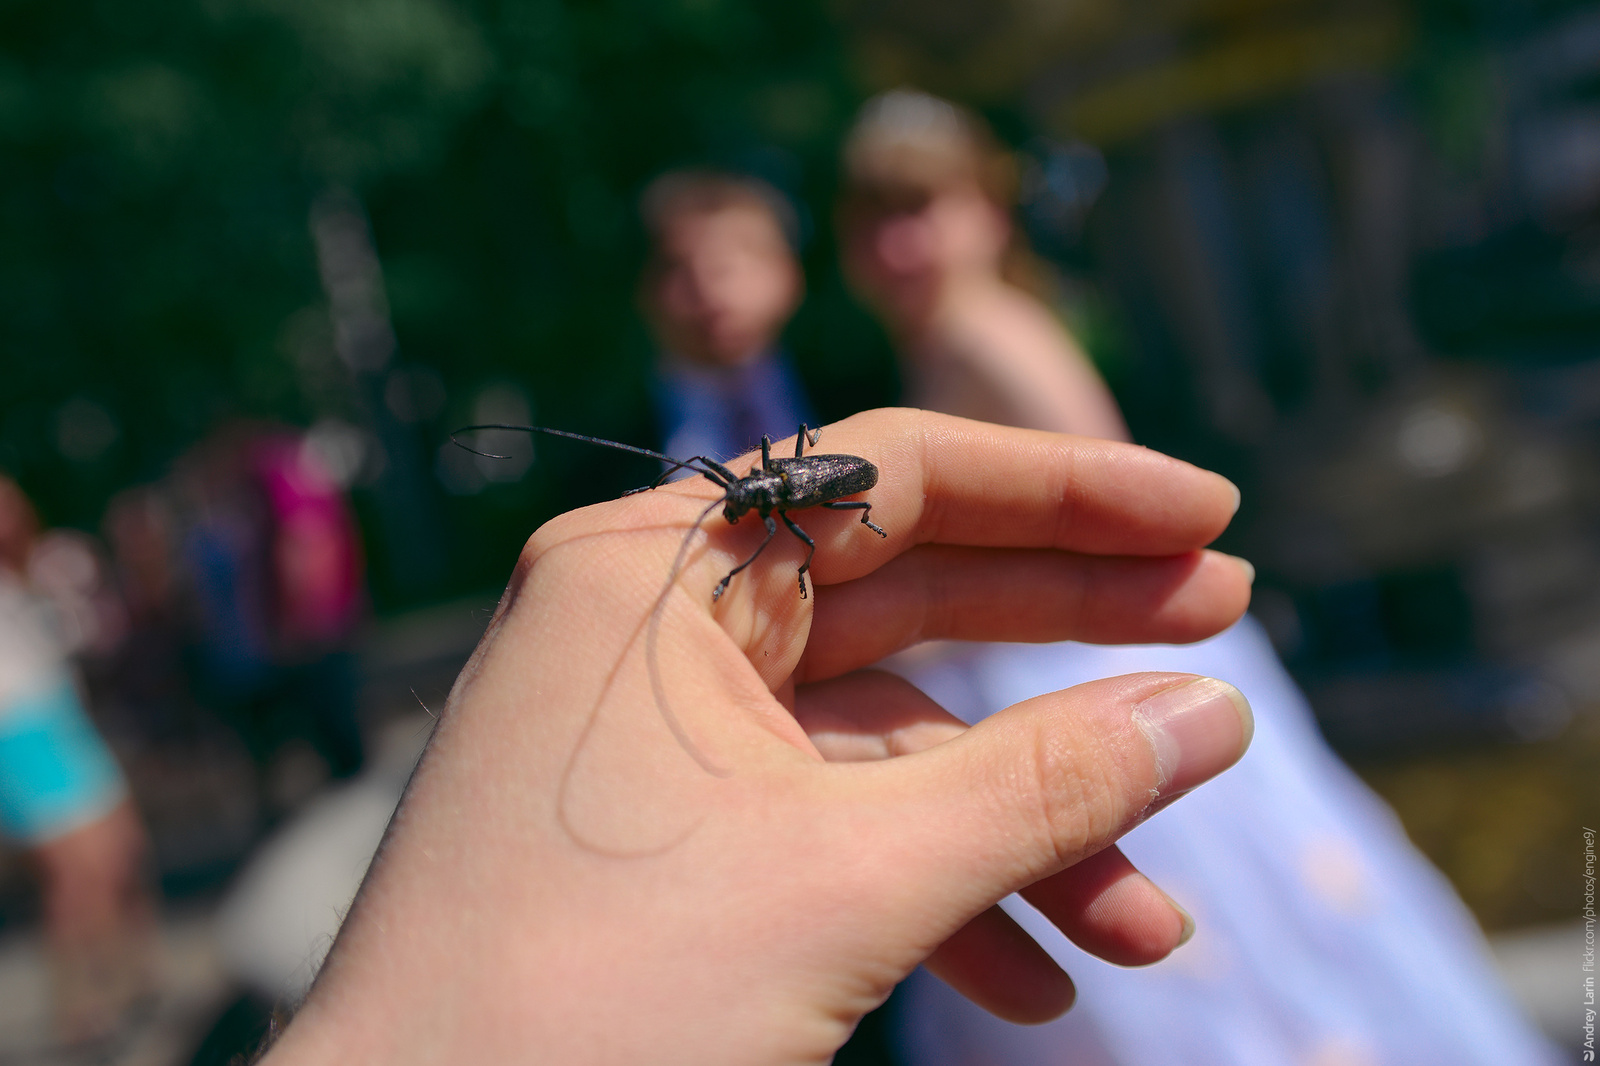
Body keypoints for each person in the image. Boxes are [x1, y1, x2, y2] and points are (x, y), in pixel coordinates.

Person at [838, 90, 1558, 1065]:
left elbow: (1106, 510)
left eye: (920, 209)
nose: (898, 246)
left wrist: (913, 629)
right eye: (875, 219)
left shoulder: (989, 337)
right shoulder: (954, 337)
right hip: (1040, 663)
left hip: (1078, 662)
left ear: (986, 210)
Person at [258, 409, 1257, 1063]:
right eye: (735, 505)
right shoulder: (765, 505)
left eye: (742, 503)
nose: (736, 510)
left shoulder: (796, 509)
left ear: (765, 494)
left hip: (840, 476)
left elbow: (837, 498)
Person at [0, 474, 155, 1045]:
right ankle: (79, 1011)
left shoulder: (44, 569)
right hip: (14, 734)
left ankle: (131, 982)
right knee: (74, 876)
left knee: (122, 850)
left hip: (61, 716)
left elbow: (92, 639)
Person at [638, 169, 814, 464]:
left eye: (730, 264)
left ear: (790, 273)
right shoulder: (588, 459)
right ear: (645, 290)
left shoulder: (872, 396)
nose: (705, 285)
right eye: (677, 266)